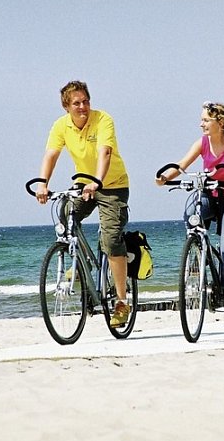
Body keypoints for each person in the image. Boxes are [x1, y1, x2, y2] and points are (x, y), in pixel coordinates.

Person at [35, 80, 131, 328]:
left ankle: (122, 301)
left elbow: (105, 152)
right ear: (66, 106)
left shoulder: (102, 120)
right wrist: (42, 183)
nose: (83, 107)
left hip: (112, 185)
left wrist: (98, 181)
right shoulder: (60, 126)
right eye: (76, 103)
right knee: (65, 214)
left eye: (85, 101)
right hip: (83, 183)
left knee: (110, 240)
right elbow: (51, 155)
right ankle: (80, 264)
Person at [156, 101, 224, 324]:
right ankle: (198, 254)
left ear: (219, 121)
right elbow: (181, 165)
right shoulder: (202, 143)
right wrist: (164, 179)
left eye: (205, 120)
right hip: (211, 195)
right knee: (191, 212)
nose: (201, 124)